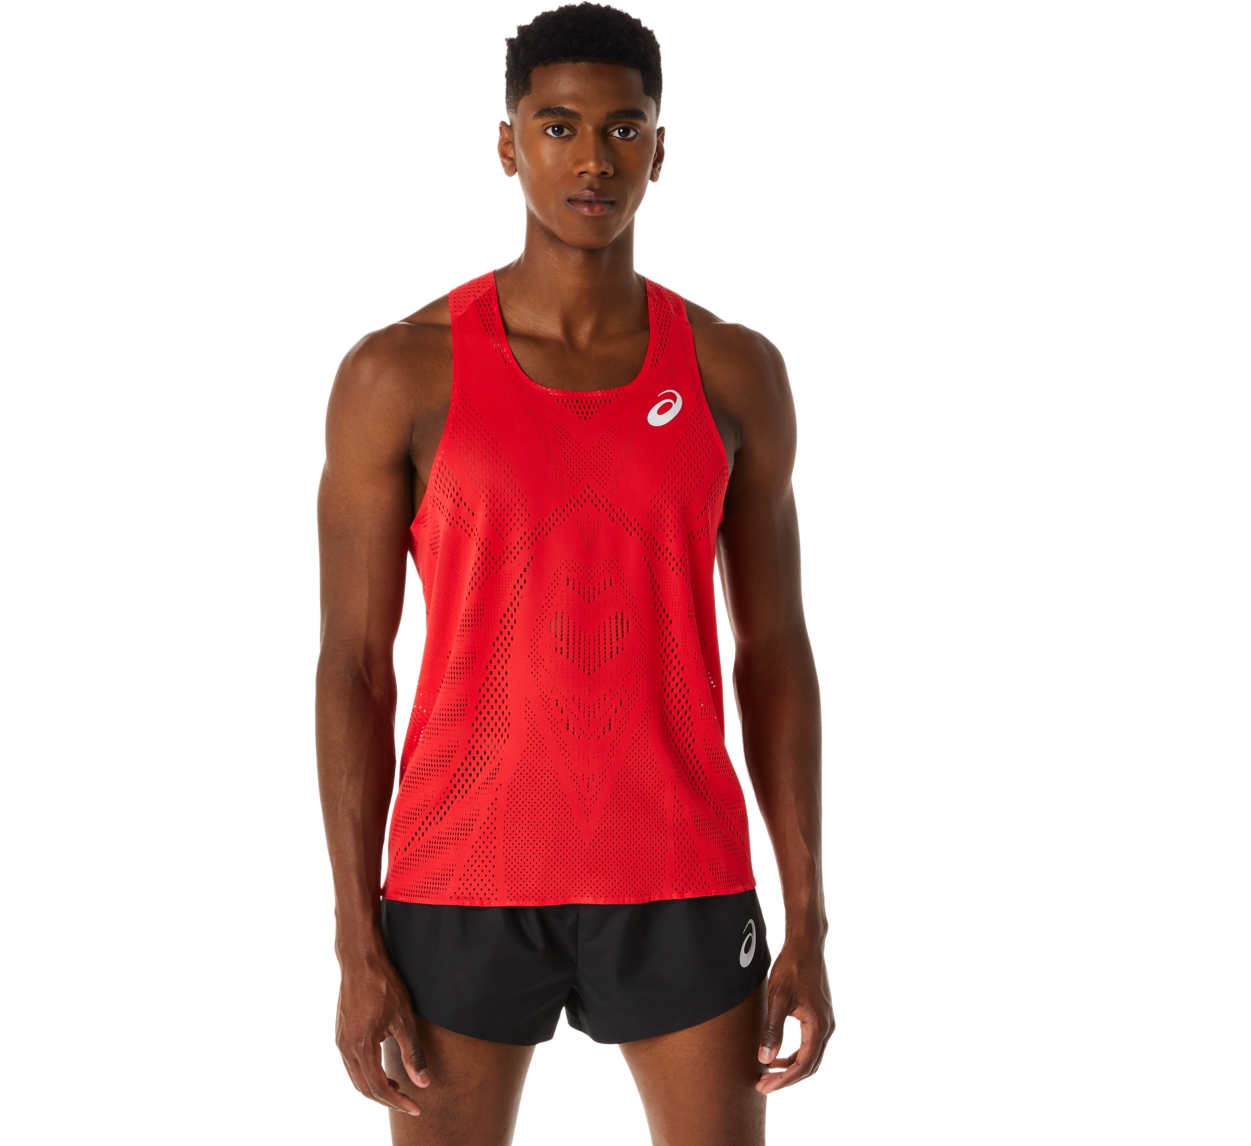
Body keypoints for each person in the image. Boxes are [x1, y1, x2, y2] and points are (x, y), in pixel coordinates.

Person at [316, 5, 833, 1142]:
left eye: (623, 129)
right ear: (508, 144)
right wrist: (355, 936)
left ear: (660, 148)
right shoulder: (399, 374)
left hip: (681, 869)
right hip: (460, 875)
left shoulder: (734, 371)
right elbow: (354, 665)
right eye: (558, 127)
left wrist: (808, 914)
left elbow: (774, 651)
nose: (593, 158)